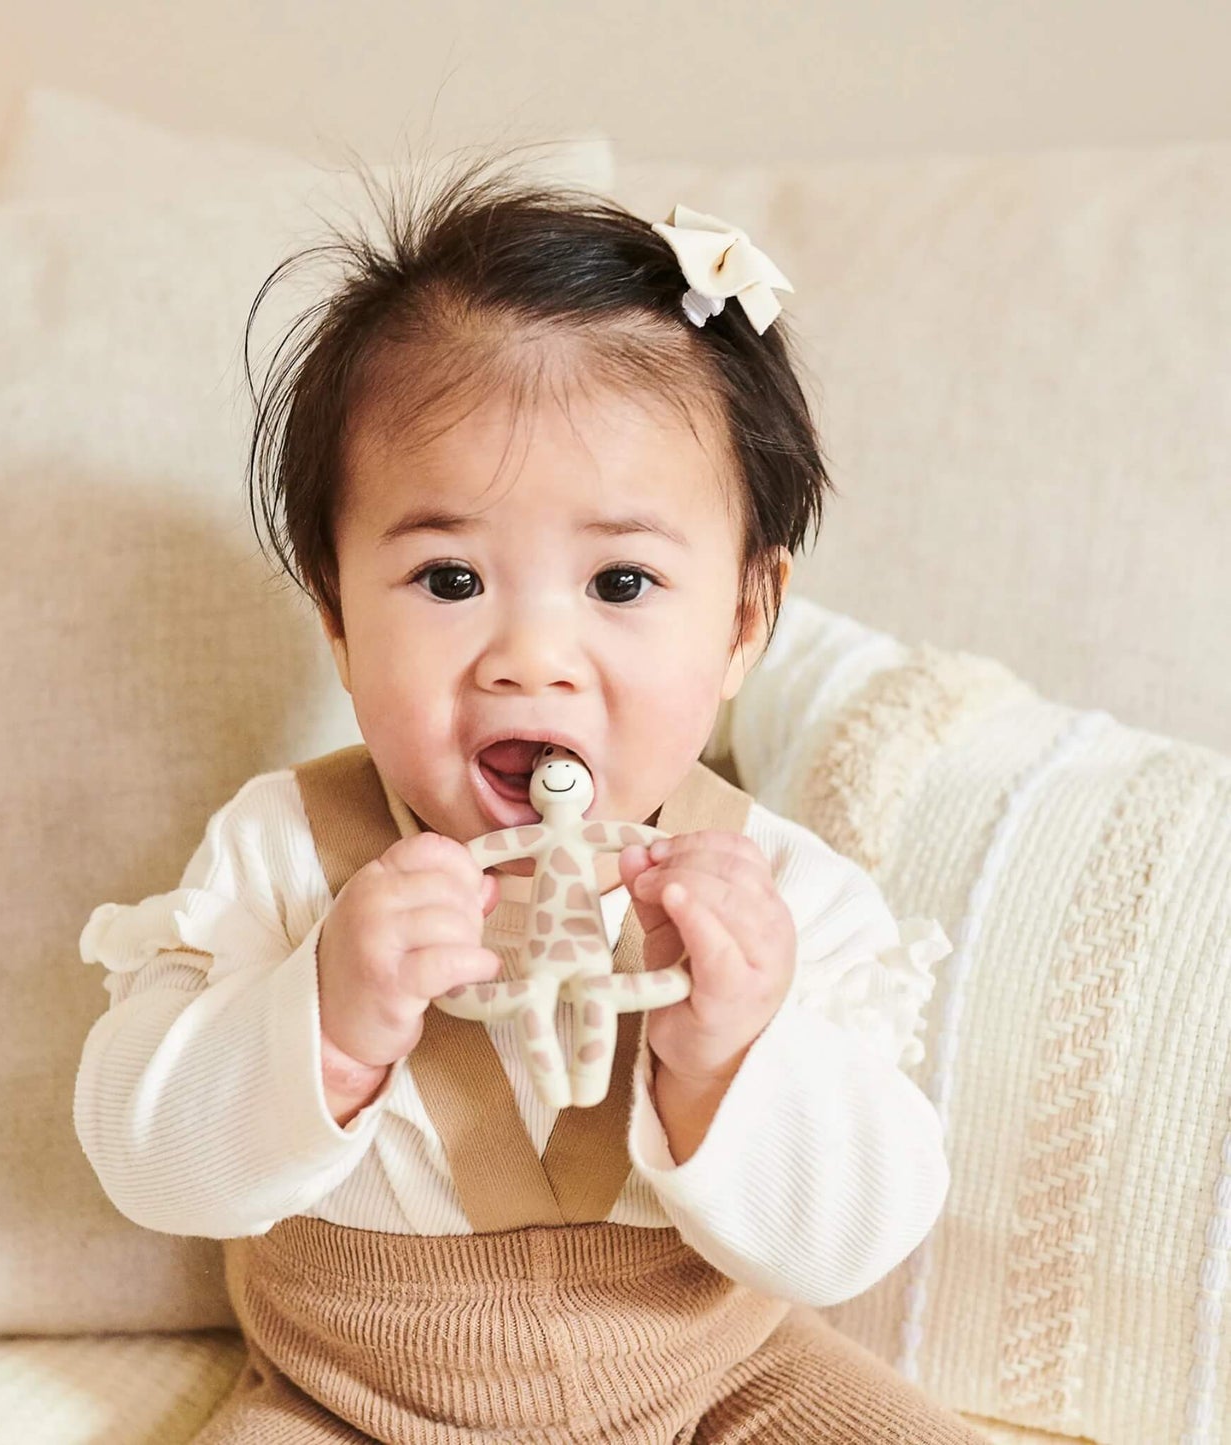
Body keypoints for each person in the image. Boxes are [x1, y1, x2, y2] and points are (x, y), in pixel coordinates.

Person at [74, 151, 987, 1443]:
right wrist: (323, 1020)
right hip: (353, 1393)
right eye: (450, 581)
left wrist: (736, 1053)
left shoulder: (772, 898)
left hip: (716, 1372)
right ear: (336, 619)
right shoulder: (284, 852)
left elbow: (860, 1229)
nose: (528, 655)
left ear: (740, 619)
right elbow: (142, 1147)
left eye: (618, 585)